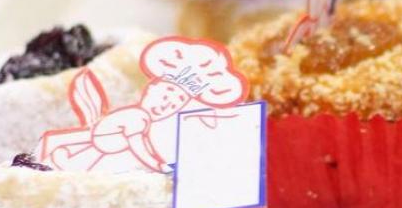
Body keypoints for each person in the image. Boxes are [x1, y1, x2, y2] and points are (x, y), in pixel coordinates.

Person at [39, 37, 248, 173]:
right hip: (94, 162)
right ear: (150, 92)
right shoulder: (137, 118)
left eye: (176, 103)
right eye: (166, 95)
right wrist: (161, 166)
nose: (168, 104)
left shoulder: (158, 125)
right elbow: (140, 146)